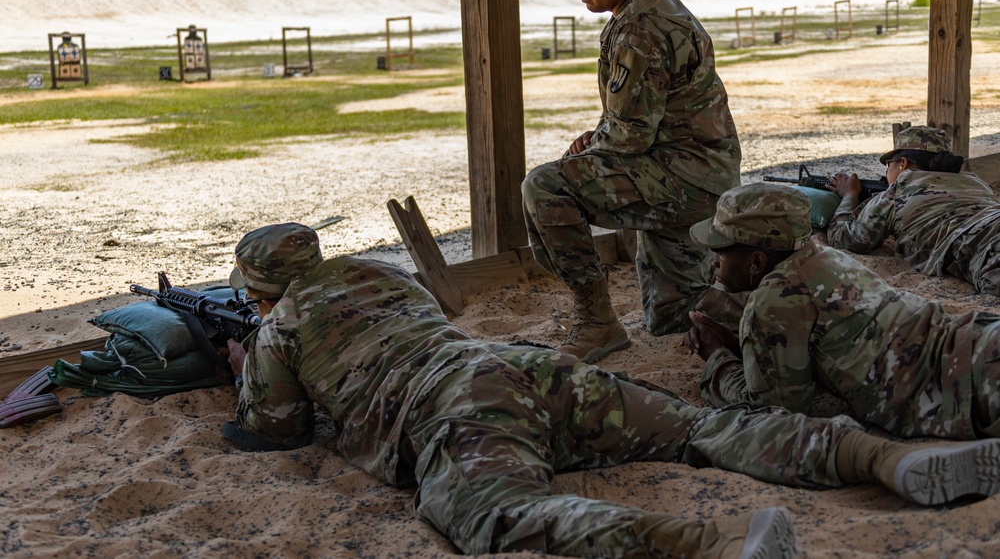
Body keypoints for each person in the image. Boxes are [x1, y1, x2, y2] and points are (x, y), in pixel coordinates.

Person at [222, 222, 1000, 559]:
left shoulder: (280, 324)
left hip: (457, 408)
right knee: (699, 427)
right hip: (527, 367)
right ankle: (882, 457)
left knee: (498, 515)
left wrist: (247, 366)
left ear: (259, 291)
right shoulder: (386, 275)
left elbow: (277, 429)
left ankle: (711, 542)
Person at [521, 0, 743, 364]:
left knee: (545, 187)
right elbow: (639, 115)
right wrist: (598, 135)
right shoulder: (646, 8)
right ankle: (772, 311)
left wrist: (587, 152)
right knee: (674, 317)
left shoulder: (643, 26)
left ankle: (597, 323)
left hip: (685, 179)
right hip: (694, 171)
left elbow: (630, 138)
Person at [684, 183, 1000, 440]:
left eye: (719, 252)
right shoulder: (823, 256)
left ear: (756, 262)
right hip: (974, 339)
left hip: (966, 383)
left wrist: (716, 357)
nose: (711, 260)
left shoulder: (775, 298)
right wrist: (743, 347)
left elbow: (774, 414)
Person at [827, 125, 1000, 294]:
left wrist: (849, 195)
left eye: (889, 164)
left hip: (988, 248)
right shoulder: (975, 181)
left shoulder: (902, 186)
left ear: (903, 163)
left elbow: (847, 238)